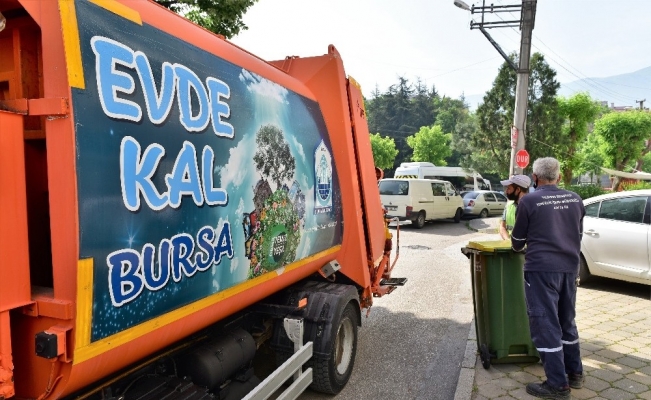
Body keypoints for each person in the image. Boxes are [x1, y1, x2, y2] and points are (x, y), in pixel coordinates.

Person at [510, 157, 585, 400]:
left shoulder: (529, 201)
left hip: (541, 271)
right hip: (569, 268)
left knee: (546, 326)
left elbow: (517, 243)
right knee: (567, 321)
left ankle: (557, 385)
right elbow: (577, 234)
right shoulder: (575, 199)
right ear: (559, 177)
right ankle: (575, 374)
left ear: (535, 178)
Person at [498, 174, 531, 240]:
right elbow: (502, 227)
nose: (506, 191)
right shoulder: (509, 205)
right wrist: (508, 241)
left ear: (518, 190)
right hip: (510, 244)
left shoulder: (533, 207)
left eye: (509, 188)